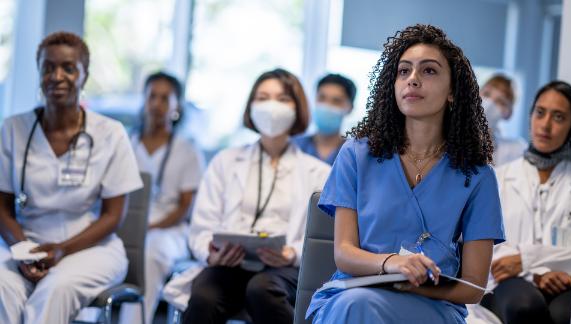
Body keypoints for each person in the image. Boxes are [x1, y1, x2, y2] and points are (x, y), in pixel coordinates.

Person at [306, 24, 506, 323]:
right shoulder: (356, 155)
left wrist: (413, 285)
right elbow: (344, 254)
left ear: (452, 91)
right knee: (355, 305)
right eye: (404, 71)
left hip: (433, 305)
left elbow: (474, 287)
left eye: (428, 71)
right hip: (352, 294)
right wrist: (393, 264)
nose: (412, 80)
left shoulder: (477, 176)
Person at [163, 68, 330, 324]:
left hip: (285, 270)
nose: (271, 106)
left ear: (298, 108)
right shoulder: (225, 162)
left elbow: (321, 242)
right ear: (251, 106)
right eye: (263, 98)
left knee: (262, 289)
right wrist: (212, 253)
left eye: (282, 98)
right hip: (230, 265)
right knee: (204, 296)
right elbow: (201, 227)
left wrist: (290, 253)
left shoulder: (319, 173)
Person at [0, 31, 142, 323]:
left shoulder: (110, 133)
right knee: (3, 287)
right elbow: (1, 207)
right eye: (48, 67)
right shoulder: (13, 129)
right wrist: (24, 250)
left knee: (55, 289)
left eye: (68, 68)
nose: (57, 76)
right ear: (39, 73)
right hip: (26, 243)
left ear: (84, 75)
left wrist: (62, 250)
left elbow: (114, 215)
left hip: (90, 247)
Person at [480, 81, 571, 324]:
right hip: (507, 282)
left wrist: (530, 260)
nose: (546, 125)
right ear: (530, 116)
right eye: (540, 113)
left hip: (566, 279)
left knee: (566, 314)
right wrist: (536, 274)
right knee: (524, 306)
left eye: (559, 117)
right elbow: (486, 244)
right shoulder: (498, 178)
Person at [118, 72, 205, 324]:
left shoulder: (187, 150)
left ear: (177, 106)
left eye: (165, 98)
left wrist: (151, 226)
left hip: (170, 230)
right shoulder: (126, 143)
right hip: (123, 226)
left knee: (151, 253)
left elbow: (185, 206)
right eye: (152, 96)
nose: (157, 104)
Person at [292, 74, 356, 164]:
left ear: (350, 108)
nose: (327, 106)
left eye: (336, 101)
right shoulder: (294, 146)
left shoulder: (354, 153)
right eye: (322, 98)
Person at [480, 74, 527, 166]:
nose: (490, 103)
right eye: (486, 94)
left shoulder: (517, 150)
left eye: (500, 101)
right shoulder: (448, 140)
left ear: (508, 113)